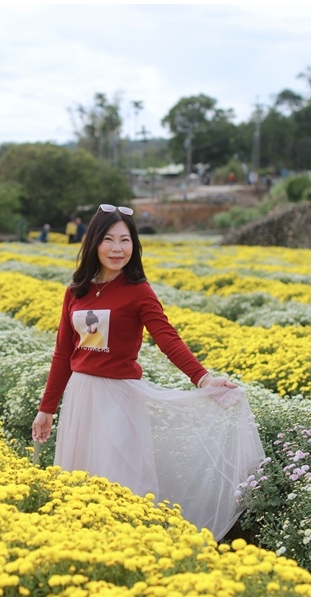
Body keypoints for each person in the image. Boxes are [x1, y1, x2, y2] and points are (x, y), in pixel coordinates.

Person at [31, 203, 264, 540]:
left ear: (134, 246)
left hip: (120, 397)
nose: (117, 249)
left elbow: (167, 338)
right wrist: (47, 409)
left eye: (125, 241)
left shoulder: (138, 290)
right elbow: (63, 354)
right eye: (109, 239)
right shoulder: (75, 291)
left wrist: (203, 378)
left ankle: (134, 545)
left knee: (121, 477)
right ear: (94, 242)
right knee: (80, 478)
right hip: (82, 395)